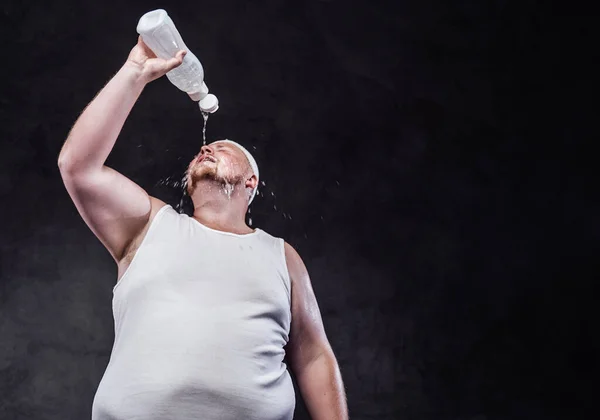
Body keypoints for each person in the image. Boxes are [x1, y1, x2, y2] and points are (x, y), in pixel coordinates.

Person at [58, 36, 348, 420]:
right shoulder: (151, 225)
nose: (207, 150)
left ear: (251, 183)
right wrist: (134, 74)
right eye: (206, 149)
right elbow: (79, 167)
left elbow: (313, 355)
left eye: (225, 150)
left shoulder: (281, 255)